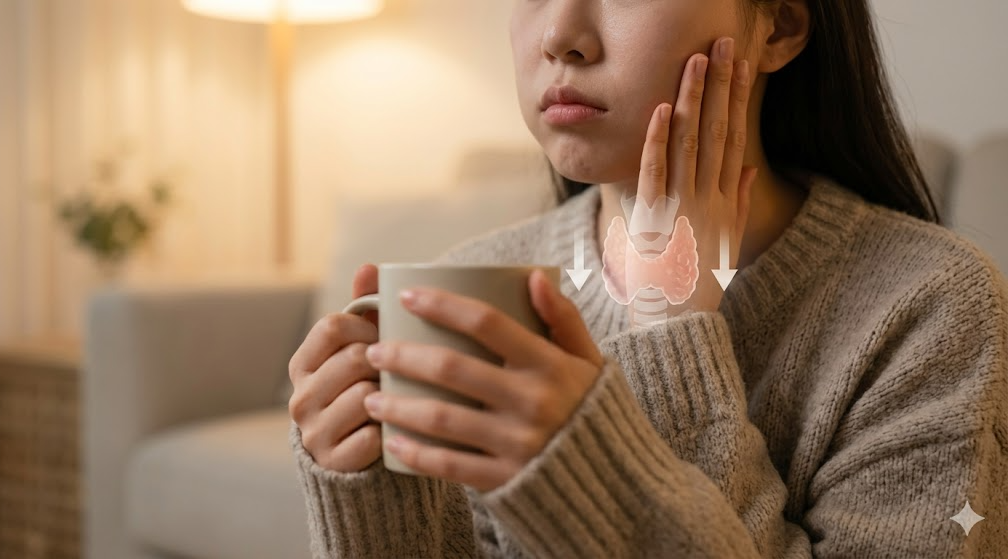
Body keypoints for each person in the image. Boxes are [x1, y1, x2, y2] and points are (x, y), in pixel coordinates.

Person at [286, 0, 1007, 556]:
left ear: (779, 26)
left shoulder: (935, 307)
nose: (561, 35)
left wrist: (670, 337)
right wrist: (367, 488)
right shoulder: (475, 285)